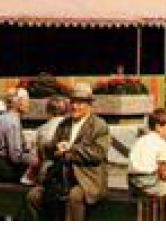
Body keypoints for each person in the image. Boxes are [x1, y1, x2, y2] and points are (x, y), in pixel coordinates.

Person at [25, 82, 111, 220]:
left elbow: (98, 153)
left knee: (74, 196)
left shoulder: (99, 125)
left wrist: (71, 149)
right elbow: (50, 149)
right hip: (62, 177)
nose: (74, 106)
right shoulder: (64, 124)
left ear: (89, 105)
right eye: (73, 102)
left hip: (88, 178)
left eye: (80, 103)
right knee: (34, 196)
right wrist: (54, 148)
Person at [0, 90, 35, 183]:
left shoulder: (3, 117)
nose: (29, 104)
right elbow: (15, 156)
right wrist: (34, 159)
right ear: (18, 103)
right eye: (26, 101)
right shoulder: (12, 122)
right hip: (4, 169)